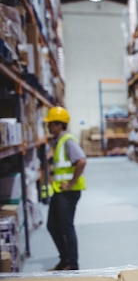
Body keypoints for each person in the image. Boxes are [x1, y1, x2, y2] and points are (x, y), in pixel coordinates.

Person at [45, 106, 87, 271]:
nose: (48, 127)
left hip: (69, 192)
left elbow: (81, 161)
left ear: (59, 124)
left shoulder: (67, 140)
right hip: (59, 191)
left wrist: (70, 183)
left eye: (51, 124)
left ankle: (72, 264)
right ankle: (65, 260)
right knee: (53, 226)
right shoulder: (58, 141)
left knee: (66, 227)